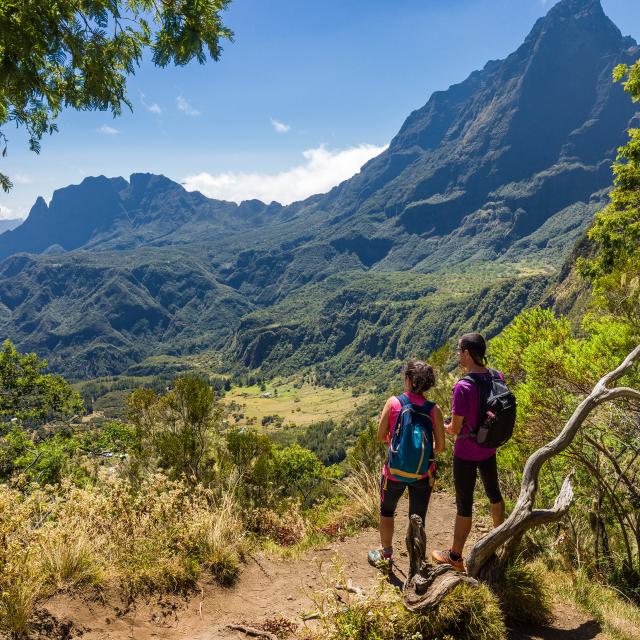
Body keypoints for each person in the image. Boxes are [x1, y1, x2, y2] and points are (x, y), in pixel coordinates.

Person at [432, 332, 506, 572]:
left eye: (458, 350)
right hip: (489, 447)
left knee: (464, 503)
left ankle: (455, 556)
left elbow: (454, 428)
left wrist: (438, 424)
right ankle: (498, 540)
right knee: (494, 493)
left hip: (466, 452)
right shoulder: (497, 376)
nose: (457, 355)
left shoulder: (462, 387)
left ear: (467, 353)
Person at [368, 358, 445, 567]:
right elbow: (440, 447)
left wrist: (396, 444)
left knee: (387, 511)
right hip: (423, 474)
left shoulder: (394, 402)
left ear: (409, 379)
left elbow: (379, 435)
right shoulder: (433, 409)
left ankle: (386, 554)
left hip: (394, 472)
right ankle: (417, 559)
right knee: (418, 516)